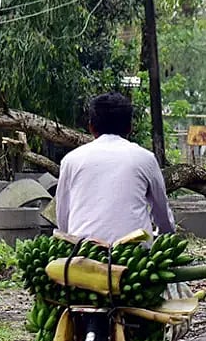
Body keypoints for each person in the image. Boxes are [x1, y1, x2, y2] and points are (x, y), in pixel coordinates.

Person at [55, 92, 175, 244]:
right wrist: (166, 234)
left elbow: (63, 215)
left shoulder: (71, 160)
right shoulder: (145, 158)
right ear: (129, 127)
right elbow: (162, 214)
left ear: (91, 127)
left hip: (84, 253)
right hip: (135, 255)